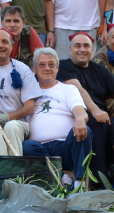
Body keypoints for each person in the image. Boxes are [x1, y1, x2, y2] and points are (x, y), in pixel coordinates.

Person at [57, 32, 114, 176]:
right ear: (70, 49)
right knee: (98, 124)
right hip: (77, 115)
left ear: (92, 50)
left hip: (101, 117)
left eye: (86, 46)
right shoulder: (64, 66)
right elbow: (77, 89)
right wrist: (95, 110)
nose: (82, 49)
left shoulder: (100, 70)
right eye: (77, 46)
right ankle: (99, 180)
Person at [22, 48, 93, 184]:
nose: (47, 68)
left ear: (57, 68)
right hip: (39, 149)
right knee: (27, 146)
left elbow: (80, 111)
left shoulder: (68, 89)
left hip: (65, 147)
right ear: (34, 69)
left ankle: (79, 182)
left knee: (85, 131)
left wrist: (80, 120)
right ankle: (63, 176)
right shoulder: (27, 91)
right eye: (42, 65)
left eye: (51, 64)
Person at [0, 28, 42, 157]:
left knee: (11, 126)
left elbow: (29, 108)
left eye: (5, 42)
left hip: (17, 123)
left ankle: (14, 169)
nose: (0, 45)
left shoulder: (22, 69)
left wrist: (5, 117)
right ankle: (3, 168)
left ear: (12, 46)